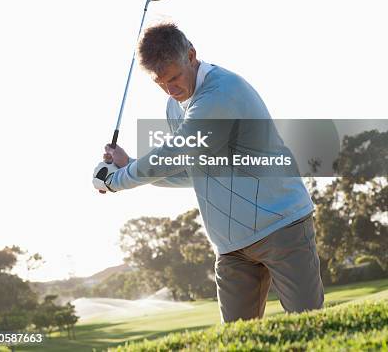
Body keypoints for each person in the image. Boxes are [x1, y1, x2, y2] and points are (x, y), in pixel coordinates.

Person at [93, 22, 324, 322]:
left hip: (282, 228)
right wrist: (130, 165)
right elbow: (193, 170)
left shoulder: (221, 91)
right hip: (231, 248)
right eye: (161, 83)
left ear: (191, 55)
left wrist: (118, 181)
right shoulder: (174, 107)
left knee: (309, 326)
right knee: (239, 341)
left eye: (174, 77)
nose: (171, 89)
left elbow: (176, 152)